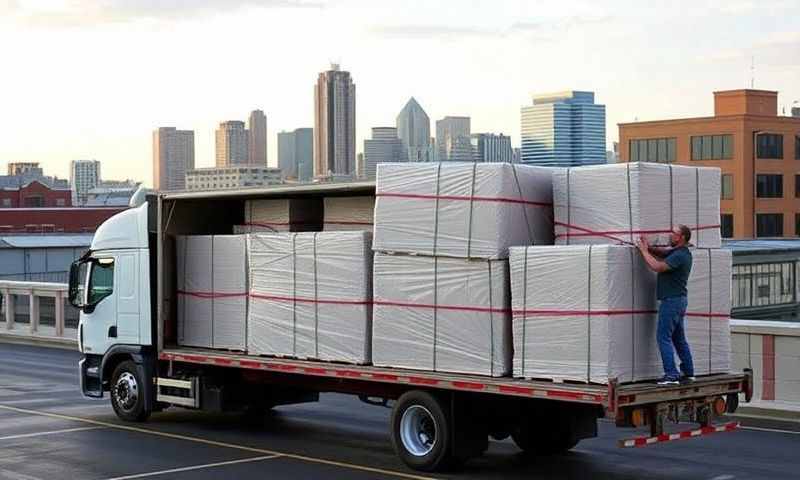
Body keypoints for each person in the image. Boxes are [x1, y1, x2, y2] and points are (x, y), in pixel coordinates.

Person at [636, 225, 695, 386]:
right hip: (678, 300)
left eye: (674, 233)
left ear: (681, 237)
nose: (670, 235)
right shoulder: (678, 252)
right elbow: (663, 253)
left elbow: (658, 267)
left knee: (663, 337)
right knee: (678, 338)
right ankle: (688, 372)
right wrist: (648, 247)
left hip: (672, 301)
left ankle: (671, 375)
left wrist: (644, 252)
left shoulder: (680, 256)